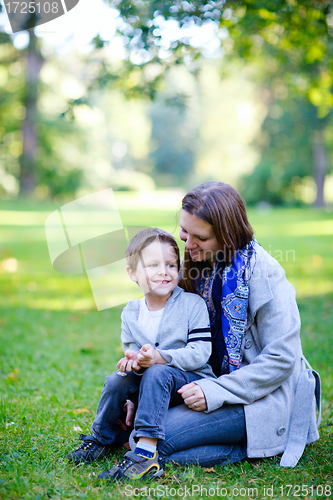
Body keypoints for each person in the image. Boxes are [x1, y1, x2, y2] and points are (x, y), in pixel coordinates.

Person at [103, 181, 321, 470]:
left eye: (200, 237)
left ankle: (252, 443)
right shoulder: (195, 264)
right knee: (142, 434)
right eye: (184, 231)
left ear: (226, 236)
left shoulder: (265, 275)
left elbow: (281, 359)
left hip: (256, 396)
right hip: (199, 381)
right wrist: (142, 396)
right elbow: (175, 342)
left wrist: (214, 391)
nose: (188, 244)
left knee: (153, 442)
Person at [67, 228, 215, 480]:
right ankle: (102, 437)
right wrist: (133, 363)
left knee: (158, 371)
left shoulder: (192, 305)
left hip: (188, 381)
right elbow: (134, 353)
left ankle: (146, 453)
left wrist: (159, 358)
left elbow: (200, 353)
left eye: (170, 265)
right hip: (151, 382)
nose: (163, 272)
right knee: (117, 379)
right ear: (132, 273)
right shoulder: (131, 312)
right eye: (153, 265)